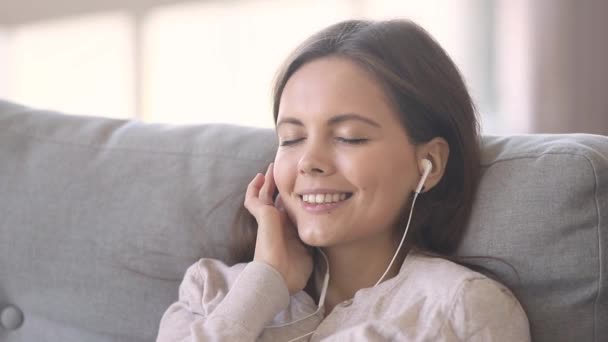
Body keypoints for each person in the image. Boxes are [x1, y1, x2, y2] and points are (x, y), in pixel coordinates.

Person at [157, 19, 530, 341]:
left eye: (349, 136)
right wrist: (263, 284)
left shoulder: (462, 308)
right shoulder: (210, 289)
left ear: (427, 162)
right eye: (292, 138)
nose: (309, 162)